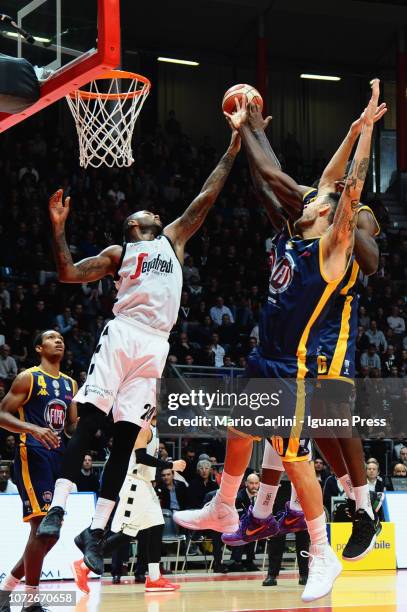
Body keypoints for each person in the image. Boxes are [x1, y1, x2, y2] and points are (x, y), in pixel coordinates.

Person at [174, 80, 381, 602]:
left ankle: (327, 544)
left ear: (331, 218)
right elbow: (291, 182)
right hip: (266, 356)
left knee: (300, 452)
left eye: (317, 201)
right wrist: (351, 127)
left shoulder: (333, 249)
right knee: (238, 428)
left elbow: (343, 187)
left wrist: (365, 138)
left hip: (299, 366)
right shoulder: (295, 233)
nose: (307, 199)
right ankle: (228, 505)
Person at [37, 130, 241, 575]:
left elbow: (206, 195)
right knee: (90, 422)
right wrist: (58, 229)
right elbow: (69, 272)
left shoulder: (174, 239)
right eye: (147, 211)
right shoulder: (120, 251)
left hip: (156, 345)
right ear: (133, 222)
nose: (156, 212)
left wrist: (232, 147)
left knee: (126, 440)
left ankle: (95, 530)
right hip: (125, 333)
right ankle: (59, 508)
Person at [220, 92, 385, 563]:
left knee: (333, 418)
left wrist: (248, 129)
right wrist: (354, 129)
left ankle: (360, 506)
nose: (313, 200)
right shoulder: (317, 207)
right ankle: (279, 506)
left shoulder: (350, 232)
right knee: (299, 420)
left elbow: (367, 248)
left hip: (334, 336)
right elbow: (277, 183)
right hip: (304, 334)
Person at [0, 331, 77, 612]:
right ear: (38, 347)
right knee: (41, 526)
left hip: (58, 458)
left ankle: (5, 590)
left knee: (52, 533)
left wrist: (90, 422)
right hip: (32, 454)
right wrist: (33, 428)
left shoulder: (71, 383)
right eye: (52, 337)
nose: (59, 341)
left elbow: (70, 427)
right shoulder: (28, 377)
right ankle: (30, 601)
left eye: (61, 339)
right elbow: (2, 414)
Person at [71, 414, 186, 593]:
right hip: (134, 483)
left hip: (145, 485)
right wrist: (170, 464)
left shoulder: (154, 429)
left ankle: (155, 578)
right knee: (126, 533)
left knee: (157, 527)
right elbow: (140, 457)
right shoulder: (143, 427)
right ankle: (82, 565)